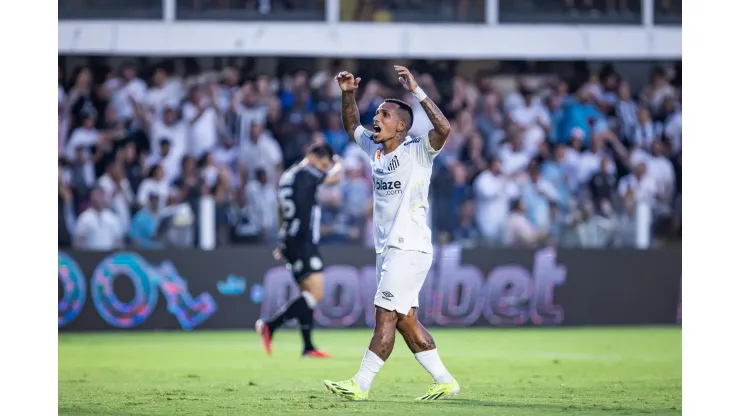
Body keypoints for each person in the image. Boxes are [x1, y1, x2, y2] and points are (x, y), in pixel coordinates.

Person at [323, 66, 459, 401]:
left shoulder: (417, 151)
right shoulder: (376, 148)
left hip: (408, 247)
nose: (376, 118)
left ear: (401, 125)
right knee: (405, 321)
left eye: (384, 114)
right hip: (389, 249)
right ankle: (444, 379)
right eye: (377, 112)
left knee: (384, 314)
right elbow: (351, 124)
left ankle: (361, 384)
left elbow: (444, 128)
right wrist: (347, 94)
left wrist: (417, 90)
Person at [255, 142, 343, 358]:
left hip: (291, 240)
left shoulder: (288, 175)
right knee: (316, 293)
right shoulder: (305, 174)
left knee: (307, 294)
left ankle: (308, 346)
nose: (323, 169)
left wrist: (282, 240)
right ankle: (270, 324)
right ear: (311, 155)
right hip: (303, 241)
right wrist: (338, 163)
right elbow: (335, 177)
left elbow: (281, 210)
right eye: (322, 164)